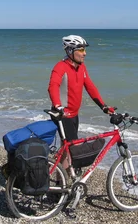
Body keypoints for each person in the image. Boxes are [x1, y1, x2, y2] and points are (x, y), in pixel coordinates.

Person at [48, 35, 116, 176]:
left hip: (74, 114)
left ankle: (62, 179)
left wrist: (103, 107)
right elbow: (53, 86)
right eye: (81, 50)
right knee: (72, 149)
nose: (85, 53)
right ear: (70, 51)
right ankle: (64, 183)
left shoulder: (81, 68)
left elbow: (90, 87)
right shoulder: (60, 67)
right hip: (63, 115)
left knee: (66, 148)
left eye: (84, 49)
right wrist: (58, 105)